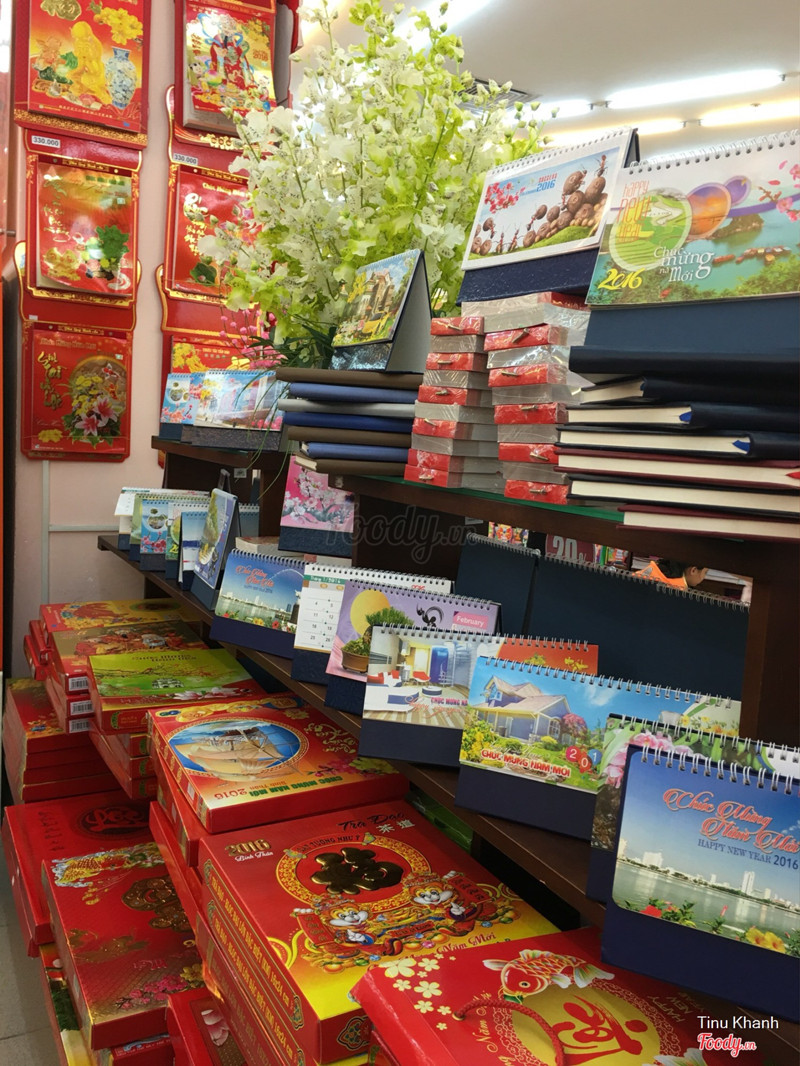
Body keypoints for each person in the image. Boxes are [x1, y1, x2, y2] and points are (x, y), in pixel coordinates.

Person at [633, 558, 708, 590]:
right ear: (693, 570)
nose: (703, 577)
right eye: (705, 573)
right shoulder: (678, 589)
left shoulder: (656, 567)